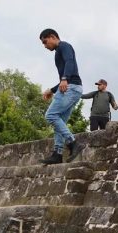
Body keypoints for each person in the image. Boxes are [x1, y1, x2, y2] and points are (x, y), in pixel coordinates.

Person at [38, 28, 85, 164]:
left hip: (71, 87)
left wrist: (64, 78)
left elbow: (70, 61)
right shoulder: (58, 52)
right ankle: (57, 154)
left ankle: (73, 143)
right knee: (60, 123)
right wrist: (52, 90)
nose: (45, 46)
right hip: (72, 87)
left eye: (45, 42)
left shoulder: (64, 46)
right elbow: (63, 81)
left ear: (52, 37)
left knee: (50, 115)